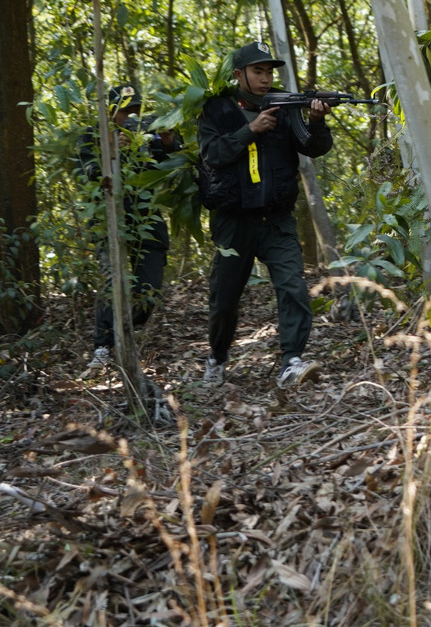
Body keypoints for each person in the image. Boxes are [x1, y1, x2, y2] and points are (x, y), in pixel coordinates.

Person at [197, 41, 334, 388]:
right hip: (234, 221)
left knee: (293, 287)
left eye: (269, 71)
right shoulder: (216, 109)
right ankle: (218, 357)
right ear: (238, 74)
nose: (265, 77)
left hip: (276, 219)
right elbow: (211, 154)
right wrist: (250, 130)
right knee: (224, 299)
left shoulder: (285, 105)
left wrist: (316, 121)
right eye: (258, 71)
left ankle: (292, 361)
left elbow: (312, 147)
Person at [80, 84, 178, 367]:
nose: (132, 117)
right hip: (111, 221)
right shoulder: (93, 137)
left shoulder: (147, 136)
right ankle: (103, 347)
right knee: (113, 282)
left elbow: (174, 157)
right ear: (110, 112)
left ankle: (125, 335)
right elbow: (93, 174)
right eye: (126, 111)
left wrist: (168, 140)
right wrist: (112, 153)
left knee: (150, 289)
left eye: (137, 111)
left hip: (148, 223)